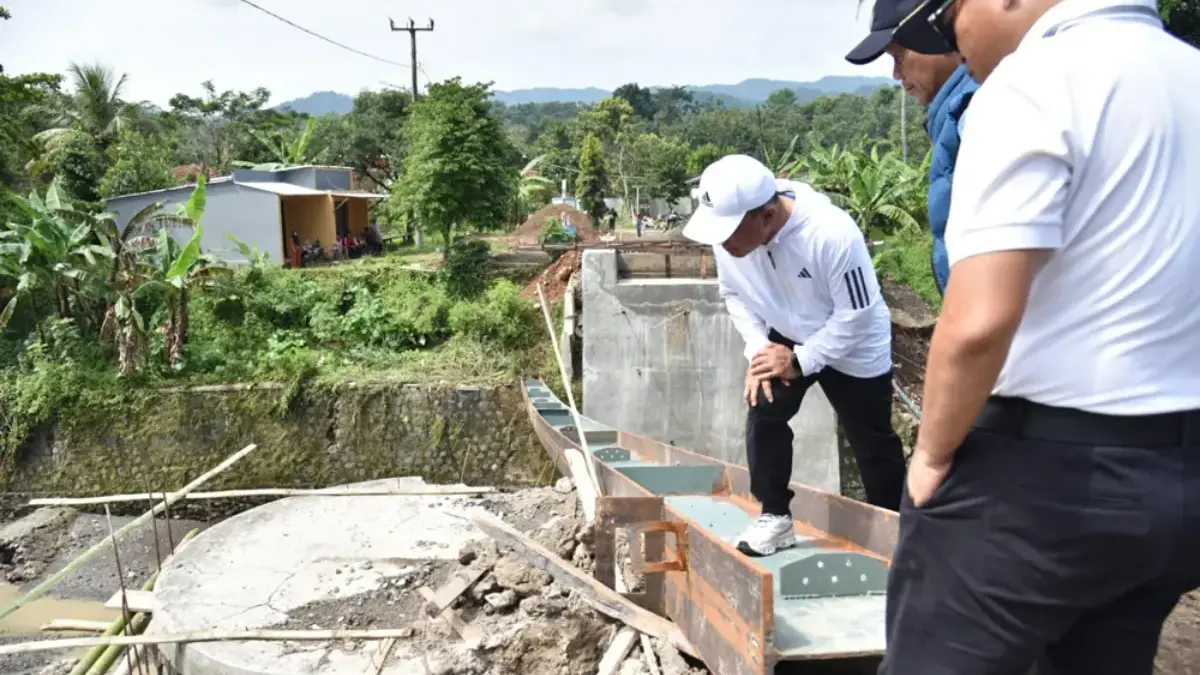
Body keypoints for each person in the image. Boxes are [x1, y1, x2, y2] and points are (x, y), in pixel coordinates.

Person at [878, 1, 1200, 673]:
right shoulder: (1187, 73)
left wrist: (932, 455)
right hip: (1177, 480)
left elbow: (979, 323)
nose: (953, 41)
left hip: (1048, 480)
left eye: (948, 18)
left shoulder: (1036, 82)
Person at [682, 154, 907, 557]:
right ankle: (775, 517)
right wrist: (760, 352)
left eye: (729, 232)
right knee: (764, 408)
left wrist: (802, 360)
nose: (722, 242)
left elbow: (857, 314)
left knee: (871, 441)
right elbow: (734, 294)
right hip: (784, 336)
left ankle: (897, 533)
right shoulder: (730, 240)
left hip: (851, 344)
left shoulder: (831, 234)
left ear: (767, 216)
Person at [846, 0, 979, 296]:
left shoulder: (978, 111)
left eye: (898, 56)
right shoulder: (953, 113)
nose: (896, 74)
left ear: (936, 34)